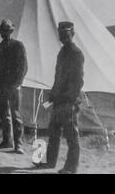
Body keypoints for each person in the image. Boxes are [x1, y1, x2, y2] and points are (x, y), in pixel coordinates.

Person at [35, 21, 84, 174]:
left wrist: (69, 98)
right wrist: (53, 94)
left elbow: (78, 80)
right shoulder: (62, 52)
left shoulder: (76, 53)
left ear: (72, 35)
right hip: (58, 99)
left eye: (66, 35)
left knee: (71, 136)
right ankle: (49, 162)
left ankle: (71, 167)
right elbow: (58, 77)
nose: (63, 38)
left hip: (69, 101)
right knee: (53, 132)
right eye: (61, 35)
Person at [0, 19, 28, 154]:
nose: (3, 33)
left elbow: (23, 67)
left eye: (6, 30)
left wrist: (17, 82)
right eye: (2, 30)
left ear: (11, 31)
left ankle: (19, 144)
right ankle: (7, 141)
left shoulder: (18, 46)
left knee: (16, 114)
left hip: (14, 85)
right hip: (2, 83)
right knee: (4, 113)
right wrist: (3, 71)